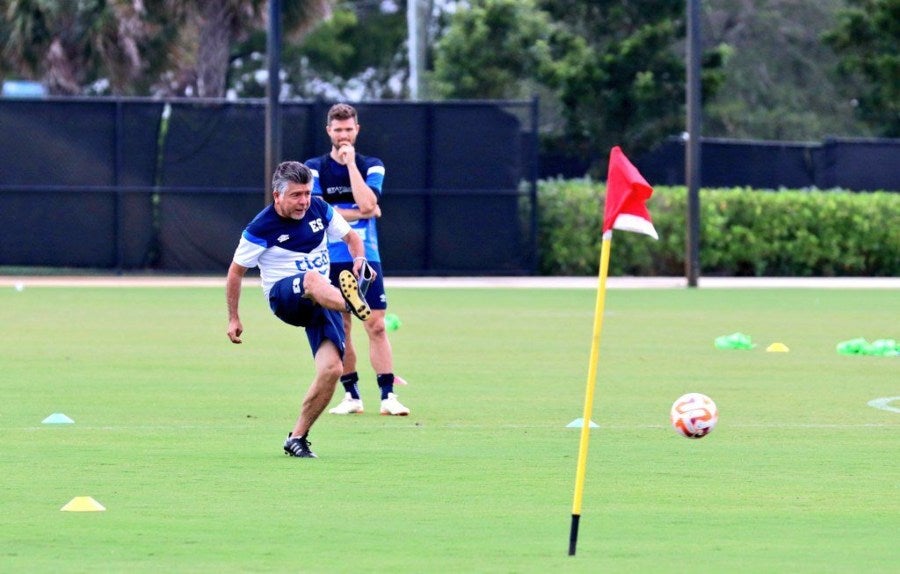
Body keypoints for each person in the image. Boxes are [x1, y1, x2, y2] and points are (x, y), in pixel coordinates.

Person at [226, 160, 373, 458]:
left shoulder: (319, 209)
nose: (304, 201)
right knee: (313, 278)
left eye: (306, 193)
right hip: (286, 298)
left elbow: (351, 237)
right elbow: (235, 272)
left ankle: (297, 437)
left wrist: (359, 260)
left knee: (332, 370)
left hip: (323, 299)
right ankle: (351, 303)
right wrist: (233, 317)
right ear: (277, 195)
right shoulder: (260, 227)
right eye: (296, 195)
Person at [305, 103, 410, 416]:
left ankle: (388, 397)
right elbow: (320, 211)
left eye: (348, 129)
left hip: (366, 255)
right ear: (329, 131)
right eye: (338, 130)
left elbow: (369, 202)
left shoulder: (371, 165)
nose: (343, 135)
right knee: (343, 327)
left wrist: (351, 168)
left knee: (376, 325)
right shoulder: (314, 167)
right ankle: (351, 396)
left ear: (357, 130)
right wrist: (361, 211)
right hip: (328, 257)